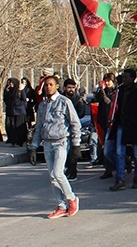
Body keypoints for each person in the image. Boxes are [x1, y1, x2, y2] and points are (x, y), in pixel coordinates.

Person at [30, 76, 81, 219]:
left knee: (58, 172)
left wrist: (76, 144)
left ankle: (71, 199)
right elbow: (39, 127)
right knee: (52, 176)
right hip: (47, 143)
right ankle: (61, 205)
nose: (48, 87)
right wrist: (33, 147)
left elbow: (75, 123)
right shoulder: (42, 105)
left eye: (51, 84)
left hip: (61, 142)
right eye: (46, 85)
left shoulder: (64, 102)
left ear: (57, 86)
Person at [109, 69, 137, 191]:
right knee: (119, 153)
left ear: (132, 78)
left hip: (134, 127)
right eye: (123, 77)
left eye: (126, 77)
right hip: (122, 125)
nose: (124, 80)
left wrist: (136, 122)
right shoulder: (120, 92)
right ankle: (120, 179)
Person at [61, 79, 86, 181]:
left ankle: (73, 171)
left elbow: (82, 112)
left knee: (73, 151)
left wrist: (72, 117)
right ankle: (65, 169)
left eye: (73, 87)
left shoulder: (78, 99)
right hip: (62, 128)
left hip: (73, 128)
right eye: (69, 87)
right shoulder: (60, 98)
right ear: (65, 88)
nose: (71, 90)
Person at [3, 78, 28, 147]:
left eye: (11, 83)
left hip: (19, 111)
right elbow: (5, 99)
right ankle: (12, 140)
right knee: (9, 126)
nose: (10, 84)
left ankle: (20, 141)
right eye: (9, 83)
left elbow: (24, 100)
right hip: (10, 110)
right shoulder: (8, 90)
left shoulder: (20, 90)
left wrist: (18, 103)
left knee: (18, 127)